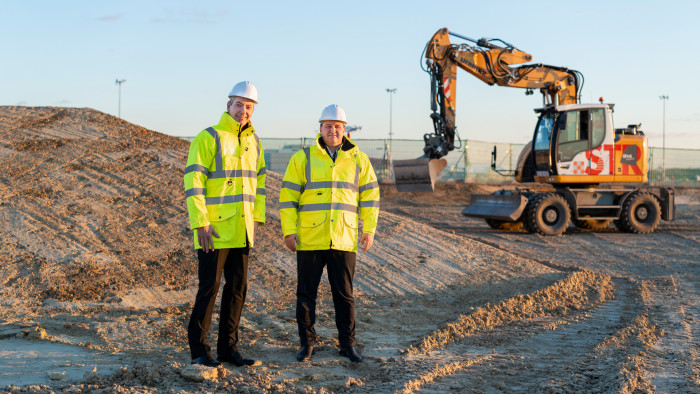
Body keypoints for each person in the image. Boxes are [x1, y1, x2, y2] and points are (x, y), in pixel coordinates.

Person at [279, 104, 380, 363]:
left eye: (337, 126)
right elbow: (288, 196)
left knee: (344, 295)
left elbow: (370, 198)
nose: (332, 130)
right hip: (310, 238)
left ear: (345, 130)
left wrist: (368, 229)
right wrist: (289, 231)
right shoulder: (302, 158)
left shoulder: (359, 159)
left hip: (344, 238)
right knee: (306, 294)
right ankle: (307, 344)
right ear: (320, 128)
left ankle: (347, 345)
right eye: (328, 126)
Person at [183, 81, 266, 367]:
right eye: (240, 104)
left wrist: (257, 219)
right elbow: (193, 181)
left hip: (242, 229)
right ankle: (198, 350)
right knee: (210, 287)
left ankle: (228, 349)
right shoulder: (209, 137)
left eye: (249, 107)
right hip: (213, 230)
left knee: (237, 289)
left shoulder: (255, 142)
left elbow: (260, 183)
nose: (244, 111)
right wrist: (200, 222)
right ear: (228, 105)